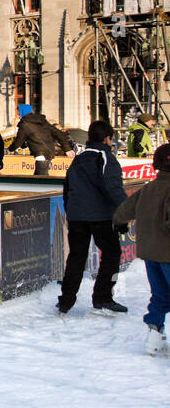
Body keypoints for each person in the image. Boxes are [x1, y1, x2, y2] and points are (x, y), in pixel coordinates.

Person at [59, 120, 128, 314]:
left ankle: (66, 299)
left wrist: (70, 210)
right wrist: (124, 214)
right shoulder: (106, 158)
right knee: (112, 253)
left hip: (77, 216)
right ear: (107, 139)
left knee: (76, 257)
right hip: (101, 217)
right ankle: (103, 297)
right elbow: (113, 188)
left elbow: (67, 187)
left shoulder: (79, 158)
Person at [114, 143, 170, 354]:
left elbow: (123, 211)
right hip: (167, 253)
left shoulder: (148, 188)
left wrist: (119, 221)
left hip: (149, 253)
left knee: (160, 295)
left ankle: (154, 336)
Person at [7, 103, 74, 176]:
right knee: (38, 175)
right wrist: (67, 149)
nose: (18, 116)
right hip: (49, 151)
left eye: (19, 114)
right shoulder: (42, 122)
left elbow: (18, 142)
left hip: (40, 154)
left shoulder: (24, 125)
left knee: (41, 177)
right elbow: (59, 134)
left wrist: (10, 149)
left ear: (23, 113)